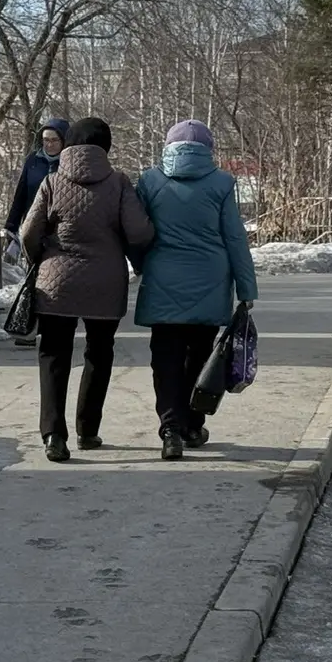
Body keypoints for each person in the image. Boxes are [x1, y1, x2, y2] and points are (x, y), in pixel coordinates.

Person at [18, 116, 153, 463]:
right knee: (99, 352)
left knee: (53, 354)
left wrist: (42, 259)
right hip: (105, 281)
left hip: (56, 281)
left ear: (69, 145)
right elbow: (138, 232)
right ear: (105, 146)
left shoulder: (51, 181)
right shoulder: (119, 182)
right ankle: (88, 430)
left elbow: (28, 233)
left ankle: (53, 436)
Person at [135, 121, 258, 461]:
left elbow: (137, 231)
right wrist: (247, 287)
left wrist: (143, 263)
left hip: (163, 280)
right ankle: (192, 425)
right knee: (201, 356)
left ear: (168, 147)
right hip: (210, 282)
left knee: (165, 359)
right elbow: (235, 237)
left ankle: (170, 429)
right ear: (209, 149)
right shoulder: (221, 183)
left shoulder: (150, 181)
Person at [4, 117, 69, 348]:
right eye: (45, 140)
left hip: (59, 232)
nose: (48, 145)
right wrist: (11, 225)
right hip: (32, 229)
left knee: (53, 281)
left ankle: (51, 328)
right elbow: (21, 193)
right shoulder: (34, 160)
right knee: (32, 279)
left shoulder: (70, 163)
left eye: (53, 140)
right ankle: (29, 327)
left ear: (64, 141)